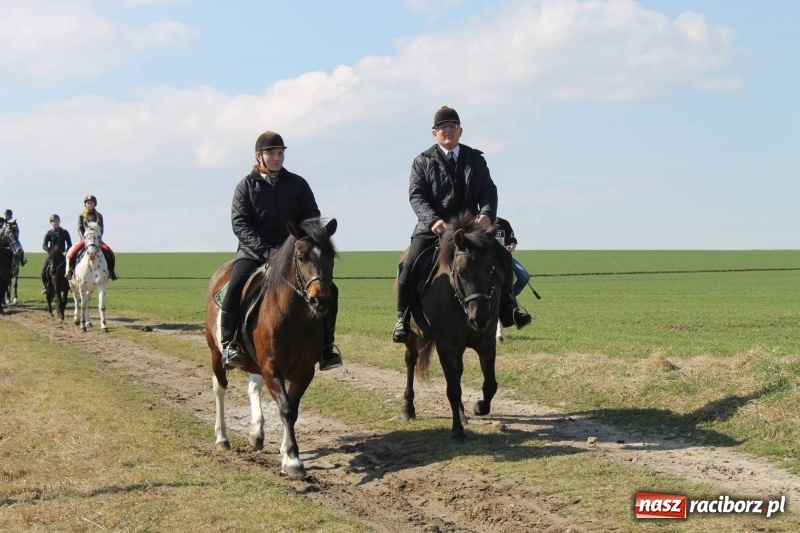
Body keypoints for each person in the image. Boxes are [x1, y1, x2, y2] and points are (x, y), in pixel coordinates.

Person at [392, 106, 532, 342]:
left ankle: (509, 308)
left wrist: (486, 214)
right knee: (410, 264)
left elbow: (489, 190)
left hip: (469, 229)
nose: (448, 131)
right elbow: (416, 196)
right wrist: (433, 220)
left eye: (452, 126)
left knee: (502, 257)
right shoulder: (422, 161)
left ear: (460, 131)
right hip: (433, 228)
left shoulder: (475, 159)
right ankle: (402, 318)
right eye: (442, 127)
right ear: (434, 133)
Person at [220, 130, 343, 372]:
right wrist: (265, 250)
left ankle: (327, 347)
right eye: (271, 153)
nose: (277, 158)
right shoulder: (245, 186)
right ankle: (230, 343)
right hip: (254, 253)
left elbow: (312, 217)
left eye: (280, 153)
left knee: (330, 289)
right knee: (234, 287)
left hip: (294, 253)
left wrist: (299, 243)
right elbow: (240, 224)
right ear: (259, 156)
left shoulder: (298, 184)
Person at [65, 195, 118, 281]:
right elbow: (79, 228)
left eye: (91, 203)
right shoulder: (81, 216)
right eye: (88, 203)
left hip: (97, 240)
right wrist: (84, 239)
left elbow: (101, 229)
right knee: (72, 253)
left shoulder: (99, 215)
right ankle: (70, 271)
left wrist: (98, 237)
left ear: (94, 204)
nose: (89, 205)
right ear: (85, 204)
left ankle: (111, 272)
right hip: (85, 239)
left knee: (111, 253)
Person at [494, 217, 532, 297]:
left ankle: (509, 298)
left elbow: (512, 240)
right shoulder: (480, 223)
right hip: (488, 258)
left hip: (505, 257)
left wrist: (510, 248)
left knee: (524, 276)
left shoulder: (504, 223)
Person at [40, 214, 73, 292]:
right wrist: (49, 251)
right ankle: (45, 285)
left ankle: (71, 284)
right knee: (43, 269)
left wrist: (66, 251)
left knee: (72, 266)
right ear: (51, 223)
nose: (56, 223)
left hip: (63, 253)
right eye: (54, 222)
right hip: (52, 254)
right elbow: (44, 245)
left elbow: (69, 244)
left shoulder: (65, 232)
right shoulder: (48, 233)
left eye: (57, 221)